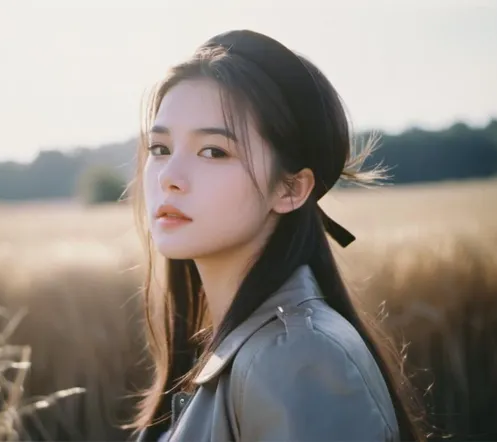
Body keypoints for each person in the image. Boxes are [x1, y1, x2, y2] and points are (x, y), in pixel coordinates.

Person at [125, 29, 425, 442]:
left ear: (290, 189)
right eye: (160, 148)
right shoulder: (237, 345)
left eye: (213, 151)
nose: (169, 178)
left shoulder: (297, 357)